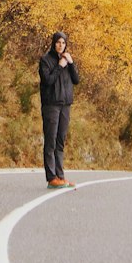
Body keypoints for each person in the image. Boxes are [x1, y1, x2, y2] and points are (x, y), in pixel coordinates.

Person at [38, 31, 79, 188]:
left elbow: (76, 80)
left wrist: (71, 63)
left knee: (60, 140)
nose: (60, 45)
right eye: (58, 42)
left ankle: (60, 176)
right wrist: (59, 66)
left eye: (63, 43)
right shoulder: (45, 60)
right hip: (51, 105)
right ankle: (51, 177)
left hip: (65, 105)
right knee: (51, 140)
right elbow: (47, 80)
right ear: (53, 43)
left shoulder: (67, 60)